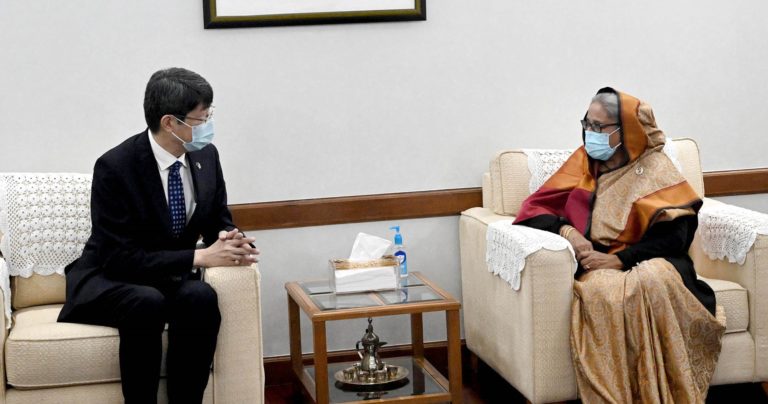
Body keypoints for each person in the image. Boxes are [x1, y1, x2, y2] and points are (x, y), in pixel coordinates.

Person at [57, 67, 259, 404]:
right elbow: (118, 257)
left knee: (200, 298)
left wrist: (233, 241)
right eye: (201, 118)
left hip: (167, 275)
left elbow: (217, 220)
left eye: (210, 115)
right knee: (146, 302)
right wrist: (199, 256)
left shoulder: (206, 156)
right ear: (170, 123)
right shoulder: (115, 167)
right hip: (110, 277)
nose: (208, 125)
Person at [514, 87, 725, 403]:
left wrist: (622, 259)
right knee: (605, 293)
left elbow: (676, 238)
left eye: (599, 126)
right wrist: (568, 231)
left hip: (655, 257)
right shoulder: (584, 163)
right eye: (587, 123)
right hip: (596, 261)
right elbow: (534, 208)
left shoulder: (655, 167)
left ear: (627, 130)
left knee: (652, 280)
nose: (589, 132)